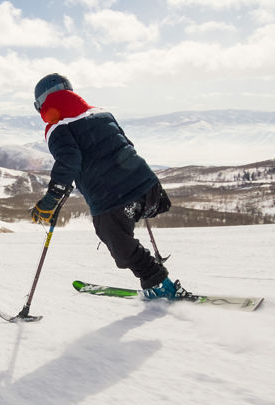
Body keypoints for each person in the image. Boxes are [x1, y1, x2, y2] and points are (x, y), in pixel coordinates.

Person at [30, 73, 185, 300]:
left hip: (112, 199)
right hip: (150, 190)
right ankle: (156, 276)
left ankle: (161, 284)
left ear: (41, 103)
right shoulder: (102, 113)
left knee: (117, 242)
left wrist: (51, 199)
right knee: (122, 231)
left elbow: (69, 162)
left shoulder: (58, 128)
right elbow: (126, 144)